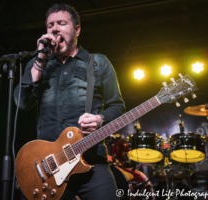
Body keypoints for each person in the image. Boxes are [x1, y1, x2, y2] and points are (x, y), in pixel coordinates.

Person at [14, 3, 125, 200]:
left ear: (77, 29)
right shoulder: (37, 64)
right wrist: (39, 62)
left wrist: (100, 119)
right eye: (50, 25)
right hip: (46, 167)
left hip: (90, 160)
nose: (54, 29)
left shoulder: (97, 63)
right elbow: (22, 103)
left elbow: (118, 106)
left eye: (61, 23)